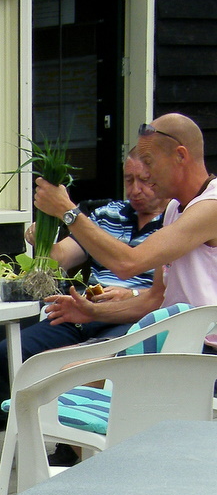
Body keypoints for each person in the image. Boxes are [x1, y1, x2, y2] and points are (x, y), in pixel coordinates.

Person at [0, 152, 166, 389]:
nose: (135, 189)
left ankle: (71, 408)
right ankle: (31, 409)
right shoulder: (108, 214)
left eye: (144, 180)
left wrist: (132, 294)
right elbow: (61, 257)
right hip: (84, 311)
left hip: (133, 318)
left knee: (72, 368)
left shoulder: (175, 223)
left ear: (162, 177)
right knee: (9, 354)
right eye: (129, 180)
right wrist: (42, 238)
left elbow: (169, 292)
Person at [35, 114, 217, 341]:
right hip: (177, 342)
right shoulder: (174, 208)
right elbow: (155, 298)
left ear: (180, 155)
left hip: (205, 348)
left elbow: (129, 263)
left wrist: (67, 211)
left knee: (70, 364)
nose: (146, 174)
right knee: (48, 362)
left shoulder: (211, 206)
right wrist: (93, 312)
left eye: (148, 162)